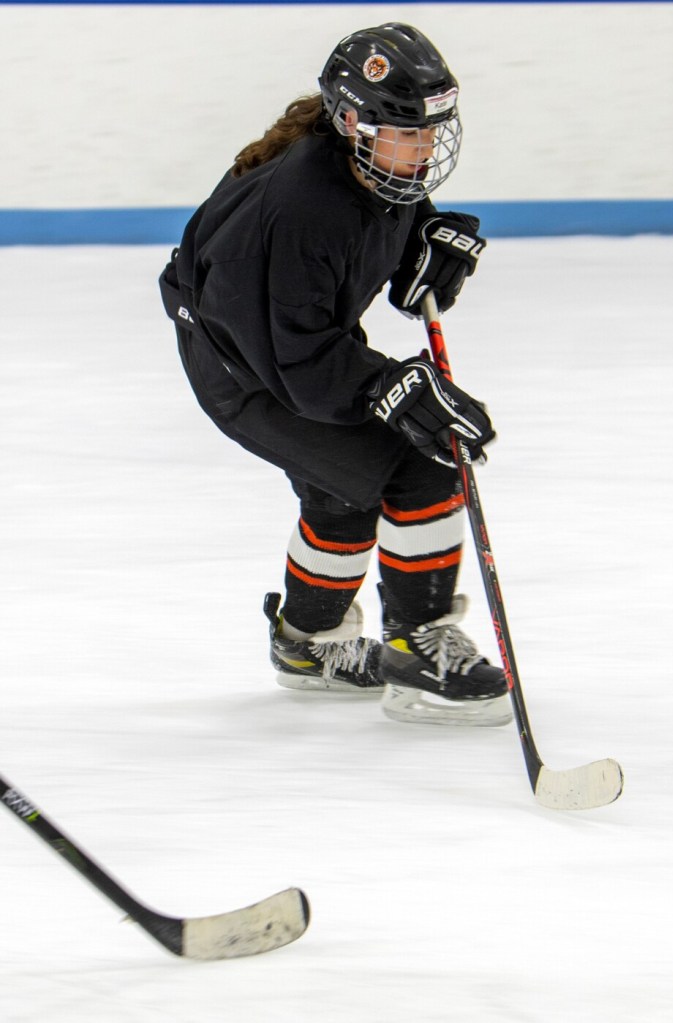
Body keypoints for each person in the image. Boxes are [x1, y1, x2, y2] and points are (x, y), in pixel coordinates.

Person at [159, 23, 510, 727]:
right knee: (418, 464)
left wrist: (425, 246)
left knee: (343, 491)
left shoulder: (371, 164)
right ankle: (419, 649)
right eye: (405, 133)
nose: (422, 152)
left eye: (430, 131)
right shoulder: (296, 207)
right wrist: (388, 387)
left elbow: (389, 223)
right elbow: (303, 367)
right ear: (351, 121)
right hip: (248, 374)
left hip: (280, 350)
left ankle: (308, 644)